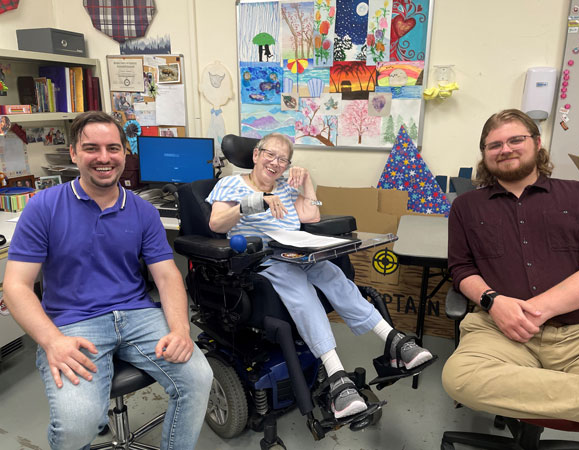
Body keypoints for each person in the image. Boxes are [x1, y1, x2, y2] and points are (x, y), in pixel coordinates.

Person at [3, 111, 212, 450]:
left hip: (138, 316)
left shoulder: (143, 211)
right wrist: (52, 341)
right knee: (78, 425)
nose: (104, 157)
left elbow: (166, 274)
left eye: (113, 148)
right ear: (74, 153)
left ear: (124, 153)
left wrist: (180, 329)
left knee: (199, 378)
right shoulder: (43, 207)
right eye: (91, 148)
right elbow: (15, 287)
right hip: (73, 323)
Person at [207, 132, 433, 419]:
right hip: (262, 261)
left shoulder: (285, 187)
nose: (275, 163)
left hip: (296, 253)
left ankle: (394, 340)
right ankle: (337, 378)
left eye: (283, 159)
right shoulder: (230, 184)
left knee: (335, 276)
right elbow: (216, 223)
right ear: (256, 155)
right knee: (301, 291)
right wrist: (253, 203)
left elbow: (311, 218)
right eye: (270, 155)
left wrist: (307, 183)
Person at [442, 109, 579, 434]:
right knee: (460, 377)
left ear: (537, 143)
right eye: (494, 145)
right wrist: (493, 302)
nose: (506, 149)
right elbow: (461, 267)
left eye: (516, 140)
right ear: (485, 154)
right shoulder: (466, 207)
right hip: (499, 331)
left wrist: (534, 311)